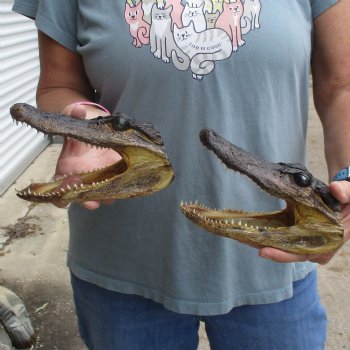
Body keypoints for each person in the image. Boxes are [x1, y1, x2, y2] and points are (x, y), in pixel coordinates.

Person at [12, 0, 350, 349]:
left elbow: (342, 86)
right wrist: (85, 120)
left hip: (275, 265)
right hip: (122, 265)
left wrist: (348, 176)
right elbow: (57, 86)